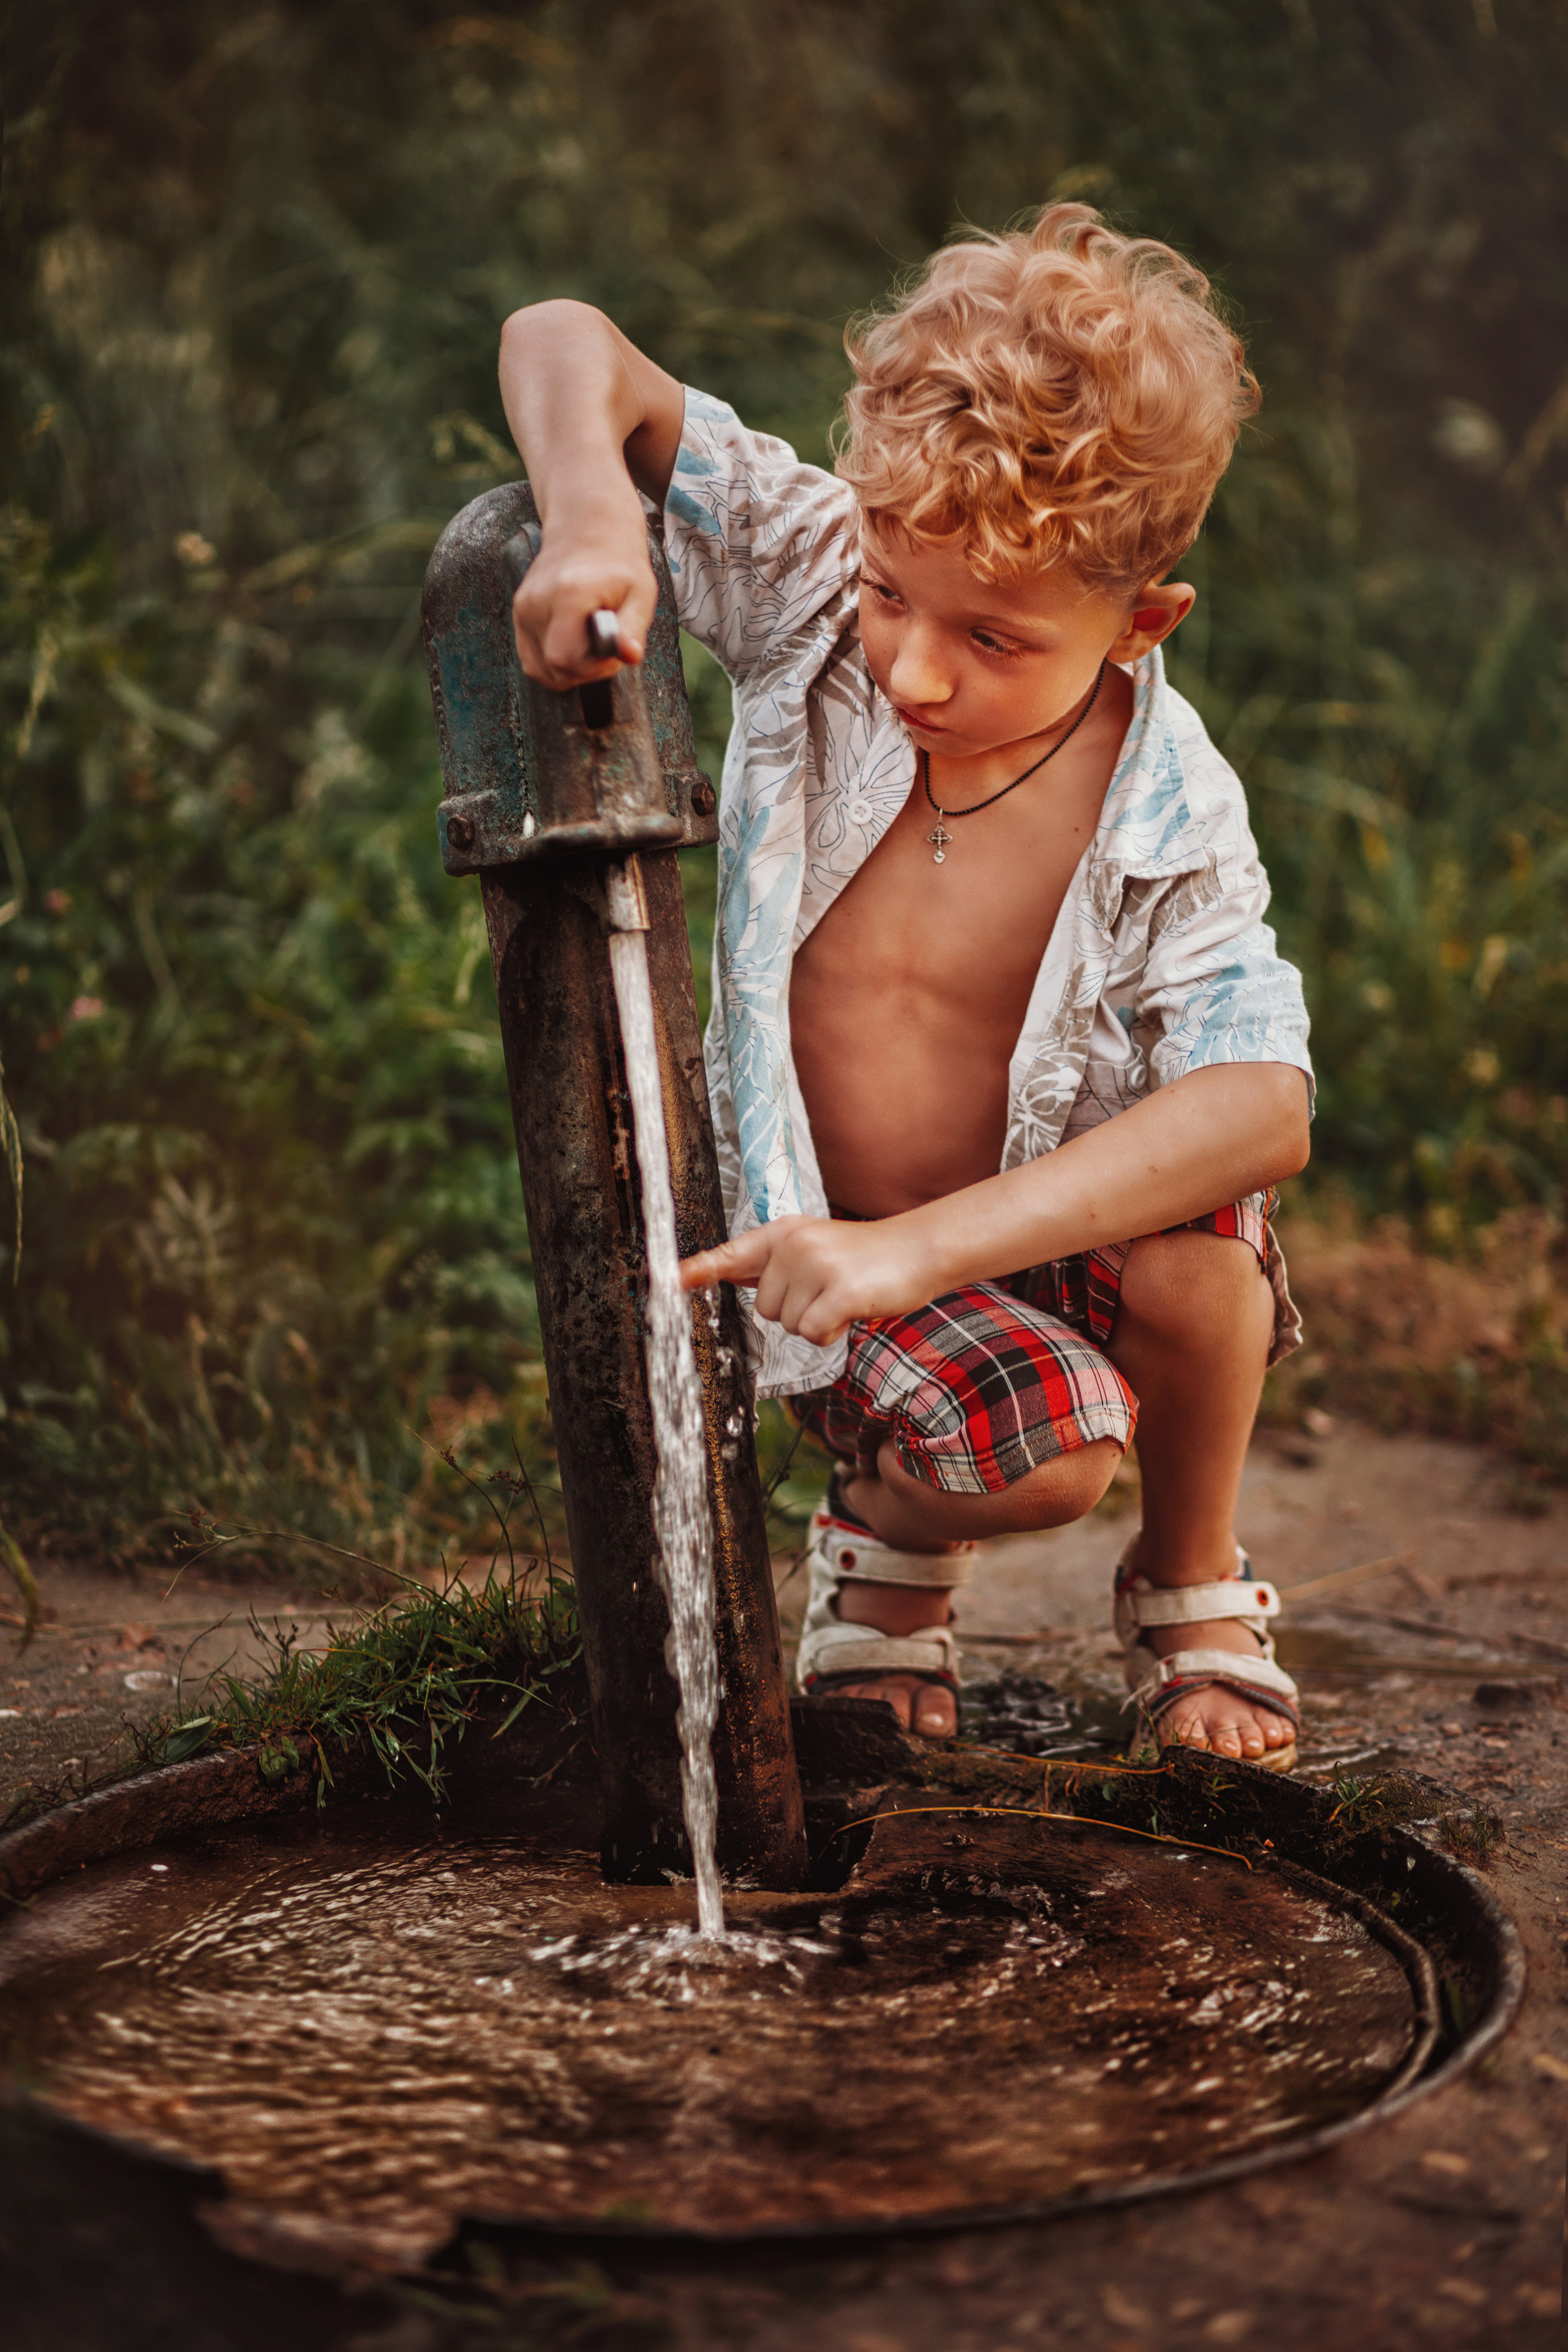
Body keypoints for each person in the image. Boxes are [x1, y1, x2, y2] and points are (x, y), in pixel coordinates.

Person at [499, 203, 1313, 1771]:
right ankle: (887, 1548)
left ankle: (1187, 1577)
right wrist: (596, 515)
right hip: (825, 1251)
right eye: (892, 593)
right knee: (1048, 1458)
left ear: (1141, 623)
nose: (914, 670)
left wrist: (931, 1251)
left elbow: (1260, 1102)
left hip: (1002, 1233)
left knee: (1201, 1249)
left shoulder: (1164, 802)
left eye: (995, 636)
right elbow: (562, 337)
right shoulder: (811, 582)